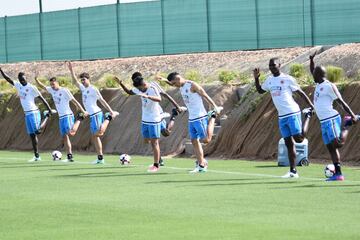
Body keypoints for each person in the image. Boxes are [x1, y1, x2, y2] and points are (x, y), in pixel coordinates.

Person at [254, 58, 314, 178]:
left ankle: (307, 116)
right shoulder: (269, 80)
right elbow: (260, 90)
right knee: (288, 144)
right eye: (270, 65)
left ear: (280, 65)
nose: (271, 67)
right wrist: (256, 78)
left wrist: (311, 106)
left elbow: (300, 92)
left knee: (299, 140)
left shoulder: (288, 79)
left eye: (274, 65)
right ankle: (293, 171)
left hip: (292, 112)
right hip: (282, 116)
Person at [115, 73, 185, 172]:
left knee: (155, 141)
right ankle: (173, 115)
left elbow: (161, 97)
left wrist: (148, 97)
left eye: (139, 88)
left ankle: (156, 164)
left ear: (142, 84)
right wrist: (121, 83)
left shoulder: (152, 87)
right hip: (145, 119)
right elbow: (130, 92)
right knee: (147, 140)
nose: (138, 90)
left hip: (154, 118)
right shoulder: (139, 89)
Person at [158, 72, 223, 173]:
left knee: (206, 140)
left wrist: (214, 106)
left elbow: (204, 94)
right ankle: (201, 165)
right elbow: (172, 83)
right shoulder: (181, 85)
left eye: (174, 83)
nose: (174, 86)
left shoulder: (192, 85)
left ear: (178, 79)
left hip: (200, 116)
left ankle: (213, 115)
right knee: (194, 141)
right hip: (192, 118)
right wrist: (164, 80)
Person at [309, 52, 359, 181]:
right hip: (323, 122)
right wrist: (311, 60)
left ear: (319, 75)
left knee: (338, 144)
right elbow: (312, 71)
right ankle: (338, 174)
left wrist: (352, 115)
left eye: (314, 73)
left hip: (331, 119)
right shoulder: (318, 84)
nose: (312, 74)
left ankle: (347, 125)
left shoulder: (329, 86)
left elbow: (341, 102)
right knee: (331, 148)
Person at [66, 61, 119, 164]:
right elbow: (74, 81)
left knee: (98, 134)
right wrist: (71, 70)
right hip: (92, 115)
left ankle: (109, 117)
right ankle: (100, 158)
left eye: (84, 80)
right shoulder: (83, 88)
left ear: (88, 79)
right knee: (95, 137)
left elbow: (102, 100)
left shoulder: (93, 89)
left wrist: (111, 111)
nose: (82, 82)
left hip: (96, 114)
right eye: (82, 80)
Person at [0, 68, 56, 162]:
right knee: (32, 136)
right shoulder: (18, 85)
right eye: (20, 79)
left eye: (23, 79)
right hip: (27, 114)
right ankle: (37, 156)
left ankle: (46, 115)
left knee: (37, 131)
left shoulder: (31, 87)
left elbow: (41, 98)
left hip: (34, 112)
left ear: (26, 78)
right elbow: (8, 78)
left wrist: (49, 109)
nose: (22, 81)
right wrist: (1, 70)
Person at [35, 76, 88, 162]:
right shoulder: (52, 90)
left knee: (71, 133)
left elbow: (74, 100)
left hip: (67, 115)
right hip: (61, 117)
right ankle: (69, 156)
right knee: (65, 136)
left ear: (57, 83)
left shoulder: (64, 90)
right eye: (51, 84)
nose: (52, 86)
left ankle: (79, 119)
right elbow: (43, 87)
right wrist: (36, 80)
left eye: (53, 84)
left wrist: (83, 111)